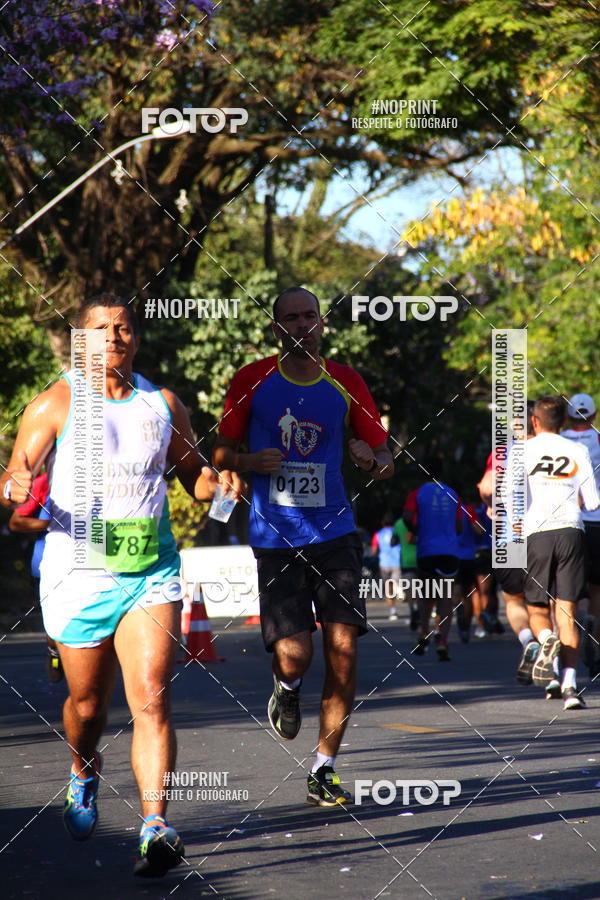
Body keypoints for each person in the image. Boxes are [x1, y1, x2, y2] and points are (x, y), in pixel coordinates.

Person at [0, 294, 244, 877]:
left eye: (125, 328)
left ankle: (155, 825)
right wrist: (17, 490)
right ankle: (83, 769)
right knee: (88, 706)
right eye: (102, 329)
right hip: (78, 573)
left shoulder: (162, 404)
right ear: (81, 340)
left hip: (150, 570)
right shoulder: (53, 406)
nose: (115, 336)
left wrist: (224, 483)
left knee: (152, 695)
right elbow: (17, 482)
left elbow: (196, 480)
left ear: (137, 338)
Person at [213, 286, 393, 806]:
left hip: (335, 535)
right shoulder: (252, 380)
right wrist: (248, 464)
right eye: (290, 318)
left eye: (309, 316)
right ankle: (286, 688)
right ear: (276, 328)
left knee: (344, 649)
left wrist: (369, 458)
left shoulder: (346, 381)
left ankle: (324, 766)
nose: (301, 325)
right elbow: (221, 448)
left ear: (322, 324)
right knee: (295, 654)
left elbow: (385, 459)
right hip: (276, 537)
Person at [509, 395, 599, 710]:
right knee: (568, 612)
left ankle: (546, 641)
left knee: (536, 608)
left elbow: (511, 500)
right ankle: (571, 686)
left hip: (537, 534)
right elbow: (592, 502)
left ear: (534, 421)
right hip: (573, 531)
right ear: (563, 422)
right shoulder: (578, 449)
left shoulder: (521, 450)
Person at [403, 458, 462, 661]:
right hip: (449, 552)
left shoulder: (417, 493)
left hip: (427, 551)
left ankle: (423, 632)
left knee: (426, 596)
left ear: (423, 474)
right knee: (446, 597)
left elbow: (407, 517)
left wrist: (417, 531)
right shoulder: (453, 493)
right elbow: (460, 526)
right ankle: (443, 641)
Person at [8, 471, 62, 682]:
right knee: (53, 623)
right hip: (48, 566)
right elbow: (15, 522)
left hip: (94, 566)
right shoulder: (45, 484)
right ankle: (55, 655)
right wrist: (50, 523)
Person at [561, 393, 600, 677]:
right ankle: (595, 631)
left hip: (566, 524)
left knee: (567, 591)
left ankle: (574, 626)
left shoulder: (556, 439)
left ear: (567, 417)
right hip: (597, 521)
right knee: (598, 588)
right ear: (594, 416)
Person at [371, 512, 402, 620]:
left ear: (382, 523)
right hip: (397, 562)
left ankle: (392, 611)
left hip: (384, 563)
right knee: (397, 583)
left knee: (388, 588)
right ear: (393, 522)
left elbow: (374, 551)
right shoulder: (397, 532)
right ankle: (399, 588)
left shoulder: (378, 534)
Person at [391, 511, 419, 629]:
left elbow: (393, 542)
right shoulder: (422, 520)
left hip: (406, 561)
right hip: (422, 558)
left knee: (409, 589)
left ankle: (413, 608)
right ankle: (419, 610)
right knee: (423, 589)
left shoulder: (398, 523)